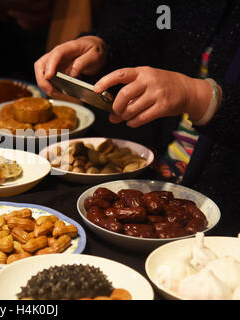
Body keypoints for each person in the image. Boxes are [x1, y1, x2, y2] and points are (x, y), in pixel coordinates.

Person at [34, 0, 240, 237]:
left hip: (225, 215)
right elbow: (154, 25)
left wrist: (197, 96)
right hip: (155, 180)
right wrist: (103, 47)